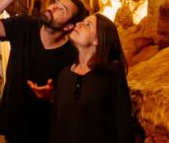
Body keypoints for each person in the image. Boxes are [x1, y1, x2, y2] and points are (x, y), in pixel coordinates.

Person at [0, 0, 88, 143]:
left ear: (68, 27)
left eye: (62, 10)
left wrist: (52, 96)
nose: (53, 7)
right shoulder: (25, 26)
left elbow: (76, 104)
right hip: (7, 131)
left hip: (44, 135)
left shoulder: (72, 56)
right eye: (56, 3)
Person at [50, 13, 134, 143]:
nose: (78, 24)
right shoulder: (65, 75)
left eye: (88, 24)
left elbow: (123, 124)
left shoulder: (111, 73)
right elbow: (57, 125)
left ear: (98, 40)